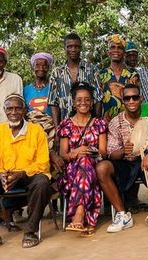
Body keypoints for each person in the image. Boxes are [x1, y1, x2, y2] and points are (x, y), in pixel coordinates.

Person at [0, 94, 51, 253]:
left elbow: (43, 164)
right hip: (4, 177)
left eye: (18, 108)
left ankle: (30, 232)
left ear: (24, 110)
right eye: (10, 108)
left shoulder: (36, 131)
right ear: (5, 111)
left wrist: (22, 173)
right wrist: (0, 174)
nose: (14, 112)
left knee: (43, 181)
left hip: (27, 176)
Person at [96, 84, 148, 233]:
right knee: (102, 168)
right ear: (123, 100)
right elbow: (110, 153)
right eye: (127, 98)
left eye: (135, 97)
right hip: (126, 163)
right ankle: (122, 215)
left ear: (141, 99)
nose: (131, 101)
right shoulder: (116, 121)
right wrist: (122, 151)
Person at [57, 82, 107, 237]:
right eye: (79, 99)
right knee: (83, 165)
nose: (83, 102)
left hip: (94, 167)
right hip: (71, 172)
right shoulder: (66, 124)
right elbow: (63, 155)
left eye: (87, 99)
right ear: (73, 102)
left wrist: (87, 150)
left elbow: (103, 152)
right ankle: (87, 219)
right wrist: (76, 152)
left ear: (92, 102)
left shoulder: (99, 124)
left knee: (86, 163)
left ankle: (79, 215)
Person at [48, 32, 103, 126]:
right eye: (70, 46)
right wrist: (57, 129)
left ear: (80, 48)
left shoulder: (92, 69)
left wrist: (95, 125)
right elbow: (53, 103)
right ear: (65, 48)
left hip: (88, 126)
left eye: (76, 46)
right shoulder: (57, 72)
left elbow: (98, 100)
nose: (73, 49)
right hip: (65, 127)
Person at [100, 34, 139, 122]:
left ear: (124, 53)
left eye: (119, 48)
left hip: (128, 123)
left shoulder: (132, 75)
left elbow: (137, 100)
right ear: (108, 52)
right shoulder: (101, 75)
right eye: (112, 47)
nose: (116, 50)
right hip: (106, 124)